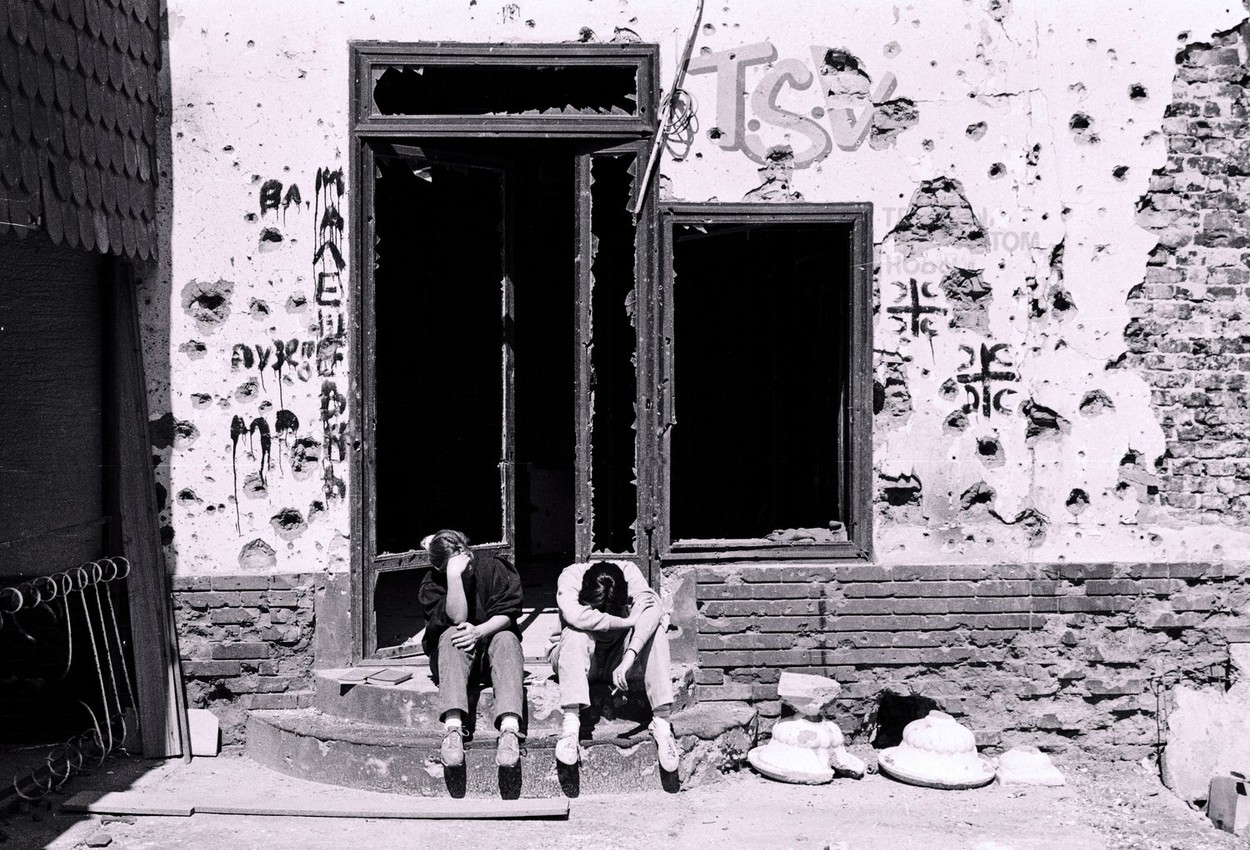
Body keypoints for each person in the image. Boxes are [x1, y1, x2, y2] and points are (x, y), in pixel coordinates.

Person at [548, 560, 679, 772]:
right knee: (574, 633)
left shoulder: (630, 572)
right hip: (578, 657)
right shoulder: (571, 575)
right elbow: (574, 615)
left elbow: (654, 608)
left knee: (655, 631)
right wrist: (627, 621)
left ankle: (662, 723)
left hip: (616, 658)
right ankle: (570, 729)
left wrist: (629, 656)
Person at [417, 529, 525, 768]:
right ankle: (453, 729)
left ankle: (510, 730)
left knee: (507, 638)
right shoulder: (432, 585)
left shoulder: (493, 567)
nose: (467, 565)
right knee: (453, 634)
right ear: (440, 569)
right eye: (455, 564)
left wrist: (479, 631)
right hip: (452, 662)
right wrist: (454, 577)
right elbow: (458, 618)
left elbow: (508, 614)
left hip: (492, 660)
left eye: (466, 556)